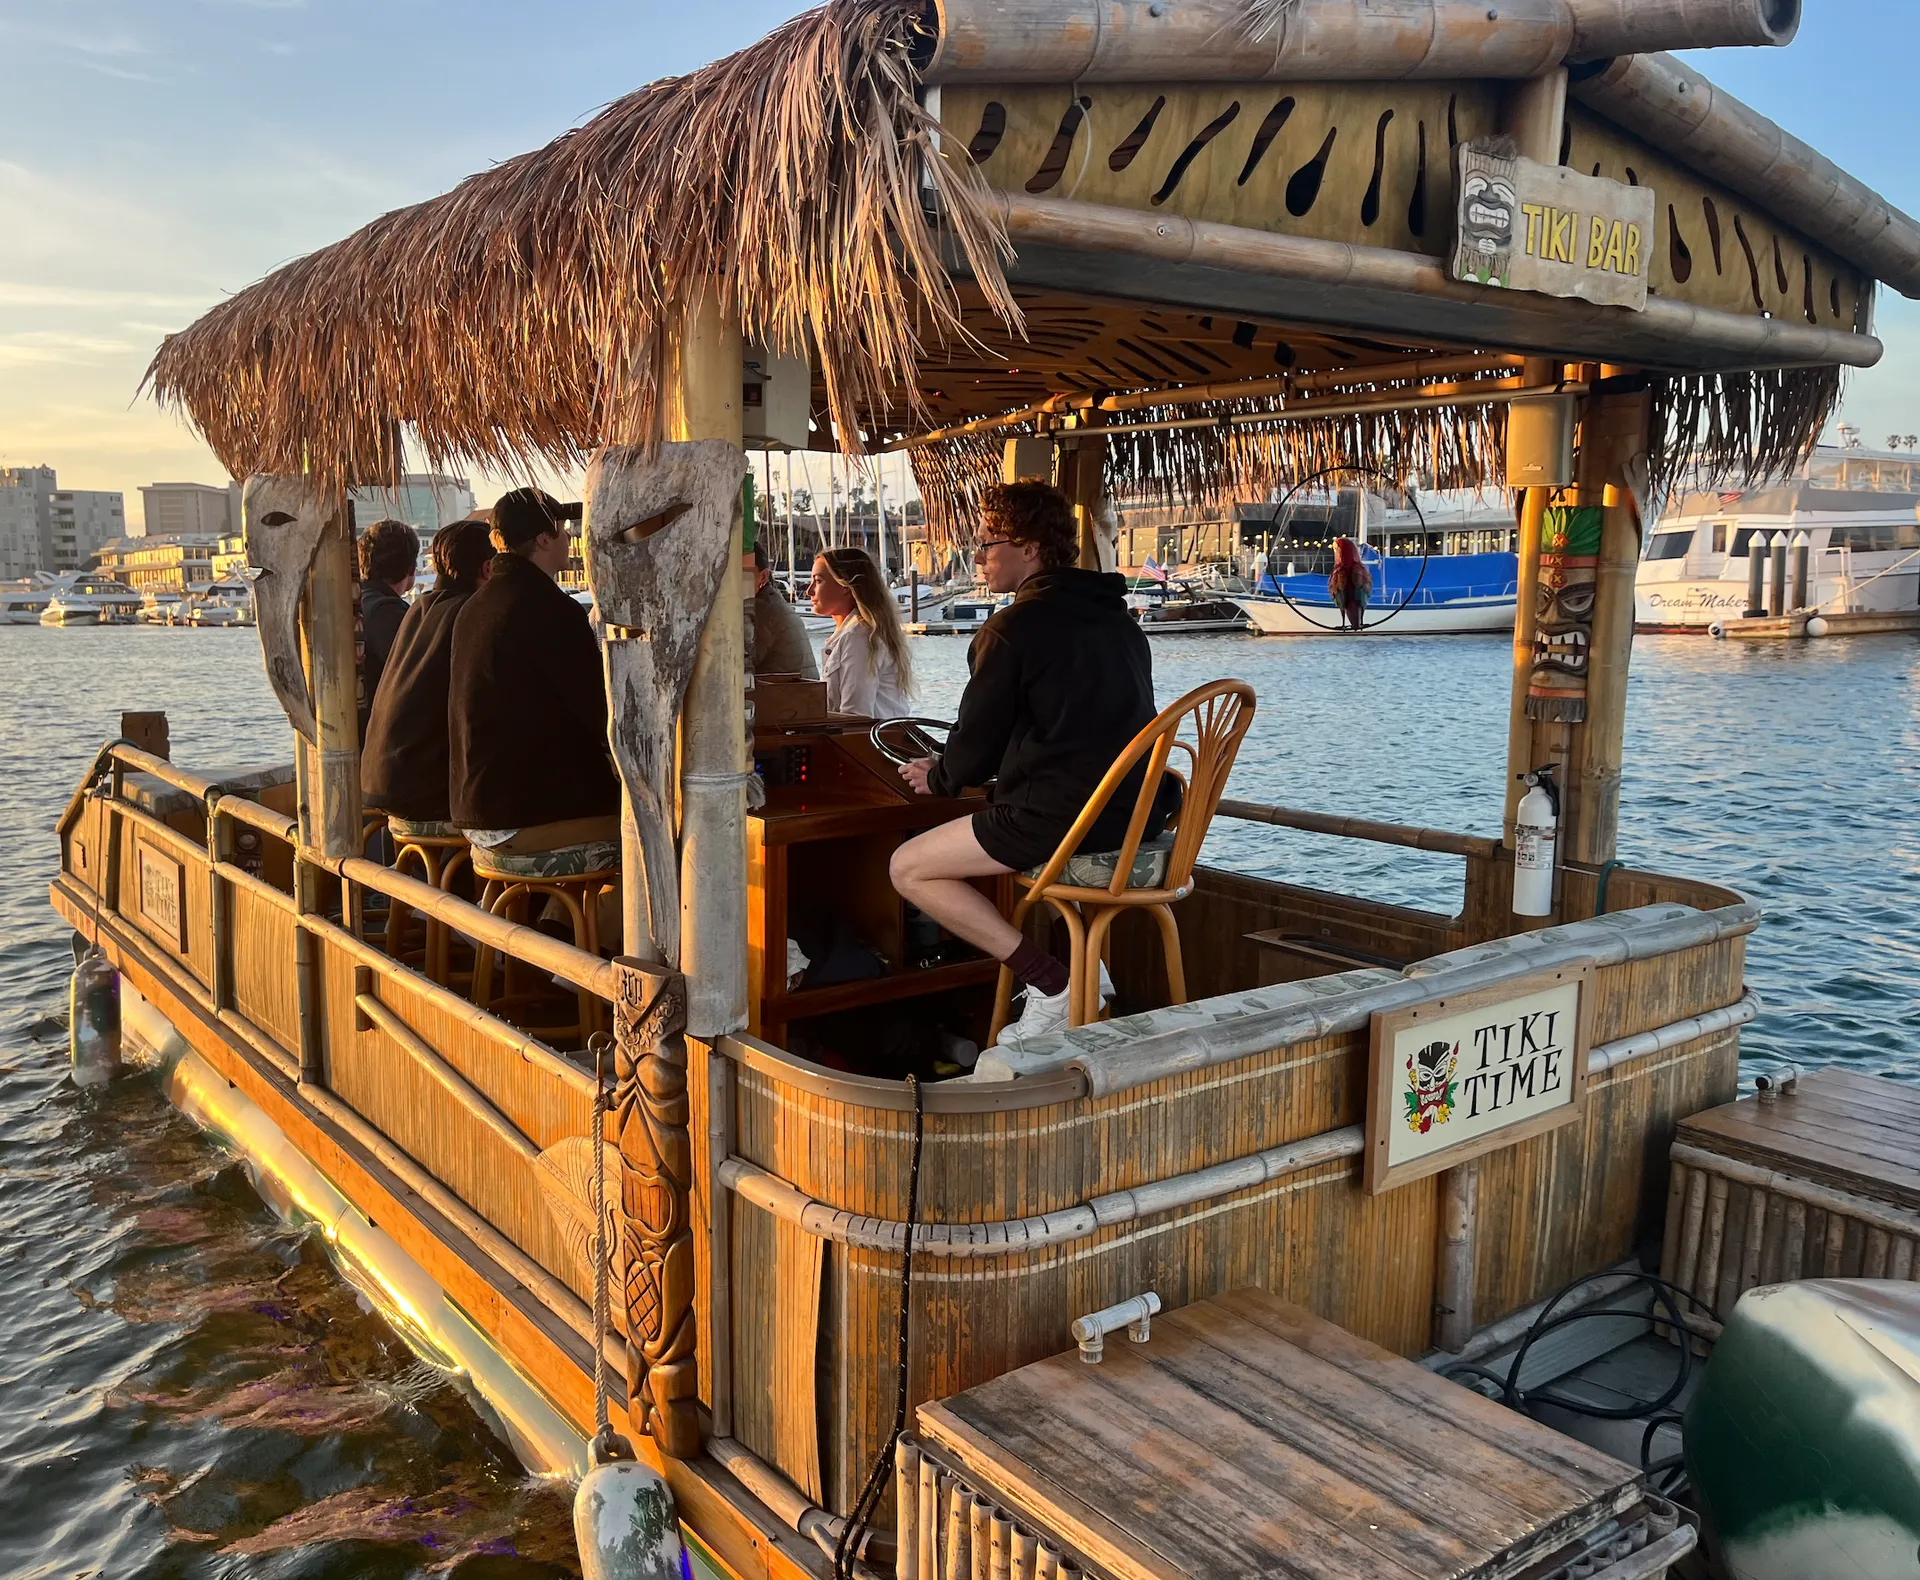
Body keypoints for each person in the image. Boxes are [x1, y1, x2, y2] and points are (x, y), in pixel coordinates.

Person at [888, 482, 1177, 1049]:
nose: (977, 558)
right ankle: (1085, 979)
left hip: (1061, 822)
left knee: (908, 868)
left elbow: (976, 745)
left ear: (1028, 548)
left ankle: (1054, 985)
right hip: (1136, 819)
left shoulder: (1012, 629)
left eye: (986, 544)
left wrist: (941, 775)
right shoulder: (1120, 623)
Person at [448, 488, 620, 856]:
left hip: (473, 809)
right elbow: (601, 713)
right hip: (521, 814)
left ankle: (558, 916)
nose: (570, 536)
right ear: (544, 539)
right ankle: (574, 916)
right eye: (563, 528)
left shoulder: (474, 607)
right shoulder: (551, 610)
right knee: (655, 826)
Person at [361, 519, 493, 823]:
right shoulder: (462, 614)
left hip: (379, 772)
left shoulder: (419, 609)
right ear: (488, 569)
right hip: (414, 784)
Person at [810, 546, 912, 718]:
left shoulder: (859, 636)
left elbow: (856, 717)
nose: (809, 590)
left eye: (818, 581)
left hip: (869, 743)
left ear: (844, 585)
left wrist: (804, 716)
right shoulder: (853, 633)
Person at [356, 517, 419, 731]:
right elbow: (413, 677)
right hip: (381, 730)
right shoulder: (388, 612)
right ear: (410, 568)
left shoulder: (358, 600)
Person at [752, 542, 819, 680]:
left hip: (787, 696)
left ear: (763, 577)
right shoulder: (772, 602)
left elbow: (740, 661)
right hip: (801, 694)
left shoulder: (763, 610)